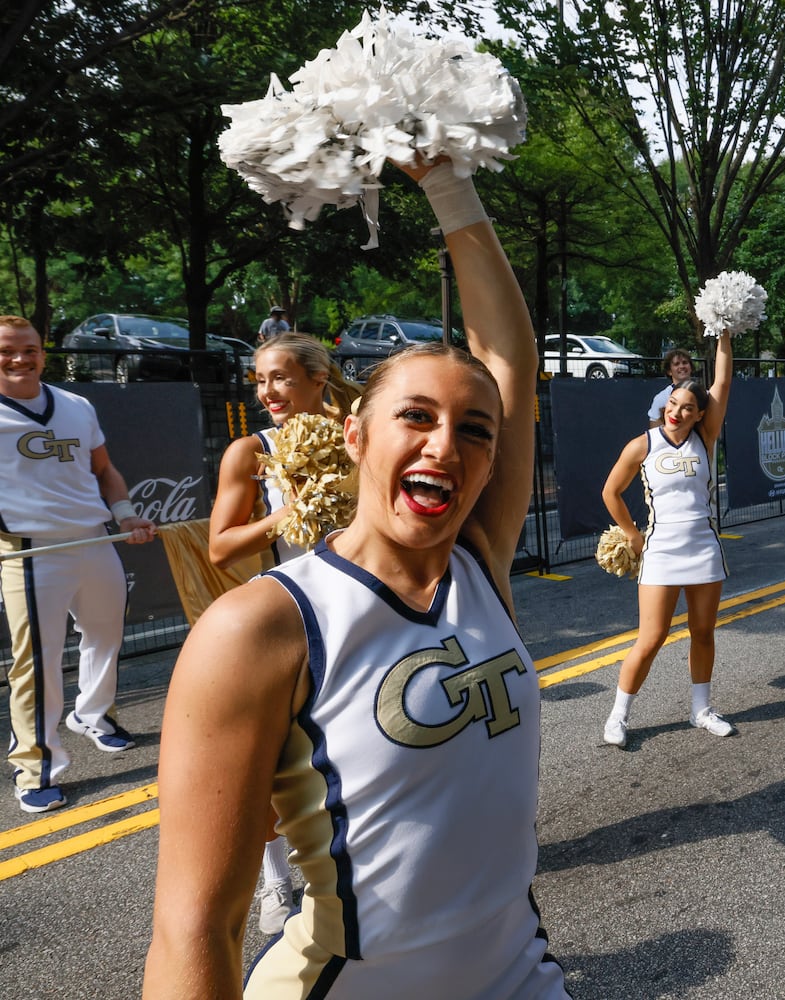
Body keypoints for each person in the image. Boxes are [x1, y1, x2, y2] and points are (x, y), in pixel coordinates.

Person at [144, 160, 568, 998]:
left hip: (521, 974)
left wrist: (447, 179)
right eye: (415, 416)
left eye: (474, 431)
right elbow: (196, 924)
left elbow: (507, 354)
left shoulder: (482, 560)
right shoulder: (263, 626)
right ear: (354, 436)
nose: (445, 445)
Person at [204, 331, 361, 935]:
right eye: (261, 379)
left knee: (354, 744)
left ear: (319, 379)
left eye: (282, 378)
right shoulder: (250, 450)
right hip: (294, 613)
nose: (267, 390)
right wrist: (282, 515)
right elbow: (220, 547)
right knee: (272, 752)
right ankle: (277, 879)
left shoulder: (359, 430)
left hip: (365, 603)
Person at [0, 315, 158, 813]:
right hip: (30, 550)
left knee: (106, 635)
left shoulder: (76, 404)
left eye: (29, 349)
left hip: (93, 540)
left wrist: (126, 513)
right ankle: (35, 766)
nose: (20, 358)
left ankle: (93, 716)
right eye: (7, 350)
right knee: (38, 664)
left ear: (43, 352)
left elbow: (104, 470)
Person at [600, 330, 735, 747]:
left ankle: (701, 709)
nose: (676, 412)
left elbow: (723, 382)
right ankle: (618, 715)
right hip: (660, 550)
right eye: (673, 404)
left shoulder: (705, 439)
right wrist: (632, 534)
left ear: (700, 415)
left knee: (703, 632)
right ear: (665, 405)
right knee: (652, 636)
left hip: (703, 548)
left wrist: (724, 333)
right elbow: (610, 492)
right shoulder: (642, 444)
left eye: (687, 408)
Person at [647, 348, 694, 427]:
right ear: (669, 371)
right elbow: (655, 431)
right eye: (676, 364)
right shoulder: (661, 398)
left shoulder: (704, 394)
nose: (682, 366)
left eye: (685, 363)